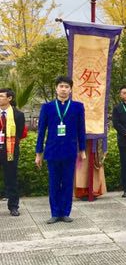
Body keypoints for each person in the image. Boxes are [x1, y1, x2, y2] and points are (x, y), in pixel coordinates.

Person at [35, 77, 86, 223]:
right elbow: (41, 131)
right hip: (52, 150)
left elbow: (81, 129)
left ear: (70, 89)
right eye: (61, 86)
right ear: (56, 88)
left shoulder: (77, 106)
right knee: (54, 182)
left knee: (68, 182)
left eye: (66, 86)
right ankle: (55, 212)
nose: (63, 89)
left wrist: (82, 149)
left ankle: (65, 212)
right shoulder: (47, 107)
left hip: (70, 150)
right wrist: (39, 153)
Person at [0, 88, 26, 217]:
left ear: (9, 98)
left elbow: (20, 134)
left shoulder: (18, 115)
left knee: (11, 178)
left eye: (1, 96)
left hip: (10, 150)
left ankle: (13, 206)